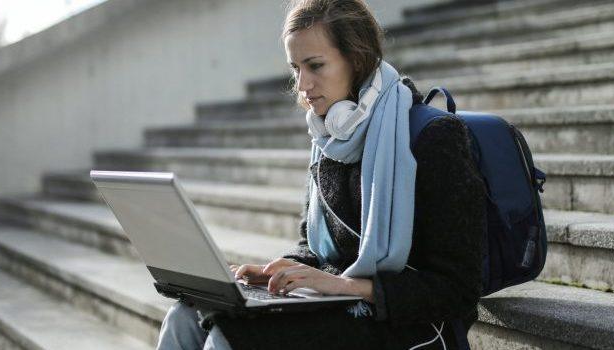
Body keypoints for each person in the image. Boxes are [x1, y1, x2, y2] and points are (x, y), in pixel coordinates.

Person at [156, 0, 486, 349]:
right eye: (296, 68)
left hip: (410, 324)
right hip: (341, 305)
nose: (302, 84)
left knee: (230, 338)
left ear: (357, 60)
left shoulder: (434, 138)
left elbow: (459, 289)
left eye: (315, 66)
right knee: (185, 315)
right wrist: (277, 271)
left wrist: (348, 287)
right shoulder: (329, 137)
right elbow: (314, 247)